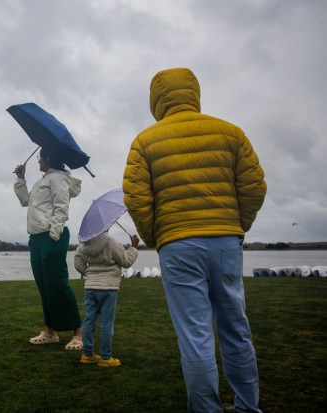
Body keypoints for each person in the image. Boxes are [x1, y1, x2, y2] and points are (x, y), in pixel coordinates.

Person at [122, 68, 267, 412]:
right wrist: (235, 225)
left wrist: (159, 236)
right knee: (236, 328)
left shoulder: (145, 141)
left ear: (155, 99)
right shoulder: (231, 133)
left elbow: (136, 198)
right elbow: (254, 187)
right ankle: (248, 406)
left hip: (177, 245)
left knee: (195, 335)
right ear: (194, 93)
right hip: (226, 241)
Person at [14, 146, 83, 350]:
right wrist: (20, 178)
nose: (38, 161)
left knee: (58, 284)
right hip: (35, 238)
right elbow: (26, 201)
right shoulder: (41, 181)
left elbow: (61, 207)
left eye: (40, 158)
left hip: (52, 236)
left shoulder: (59, 179)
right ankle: (50, 331)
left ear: (49, 158)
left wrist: (54, 234)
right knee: (44, 286)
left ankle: (79, 333)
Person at [74, 232, 139, 367]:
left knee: (89, 320)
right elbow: (126, 262)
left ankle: (87, 355)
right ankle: (105, 357)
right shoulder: (112, 242)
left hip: (90, 287)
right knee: (106, 323)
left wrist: (90, 274)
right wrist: (133, 247)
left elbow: (78, 263)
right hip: (108, 288)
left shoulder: (83, 245)